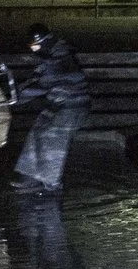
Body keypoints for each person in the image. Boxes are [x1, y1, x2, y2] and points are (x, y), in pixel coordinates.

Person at [12, 21, 90, 192]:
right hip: (59, 104)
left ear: (44, 42)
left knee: (53, 136)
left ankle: (52, 184)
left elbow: (41, 85)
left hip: (73, 107)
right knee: (37, 131)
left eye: (35, 46)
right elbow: (36, 79)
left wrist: (15, 98)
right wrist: (15, 94)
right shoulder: (51, 54)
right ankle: (32, 176)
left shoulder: (59, 58)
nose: (34, 50)